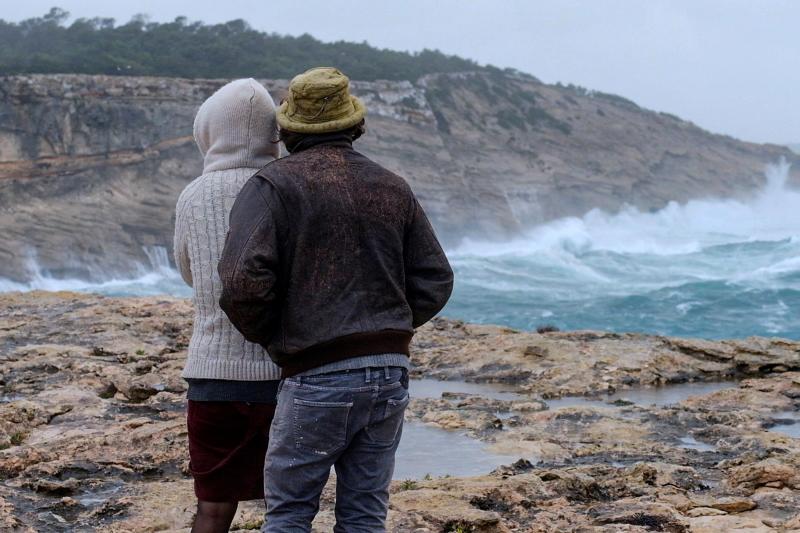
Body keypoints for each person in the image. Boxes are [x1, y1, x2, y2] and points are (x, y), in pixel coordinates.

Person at [218, 67, 454, 532]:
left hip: (316, 375)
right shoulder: (391, 185)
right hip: (389, 372)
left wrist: (280, 336)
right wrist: (388, 327)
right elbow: (434, 278)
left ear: (287, 129)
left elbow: (242, 281)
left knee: (289, 512)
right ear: (355, 125)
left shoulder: (273, 186)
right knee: (365, 512)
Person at [173, 78, 282, 533]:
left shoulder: (194, 195)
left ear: (210, 131)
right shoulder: (282, 187)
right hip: (280, 376)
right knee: (289, 503)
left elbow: (188, 271)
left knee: (213, 508)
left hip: (212, 374)